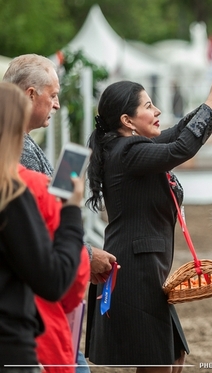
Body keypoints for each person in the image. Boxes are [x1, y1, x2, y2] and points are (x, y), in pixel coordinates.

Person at [84, 77, 212, 371]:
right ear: (127, 120)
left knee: (174, 357)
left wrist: (210, 105)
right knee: (159, 363)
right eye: (149, 106)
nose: (158, 111)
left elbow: (178, 134)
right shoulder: (128, 152)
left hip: (146, 269)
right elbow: (181, 149)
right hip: (133, 272)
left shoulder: (133, 146)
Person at [3, 53, 116, 371]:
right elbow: (38, 238)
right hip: (32, 318)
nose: (56, 104)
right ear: (29, 95)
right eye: (53, 95)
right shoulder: (16, 164)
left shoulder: (22, 147)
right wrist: (84, 250)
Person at [0, 82, 85, 371]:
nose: (57, 104)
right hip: (11, 343)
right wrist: (72, 211)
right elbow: (54, 280)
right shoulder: (12, 191)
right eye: (54, 95)